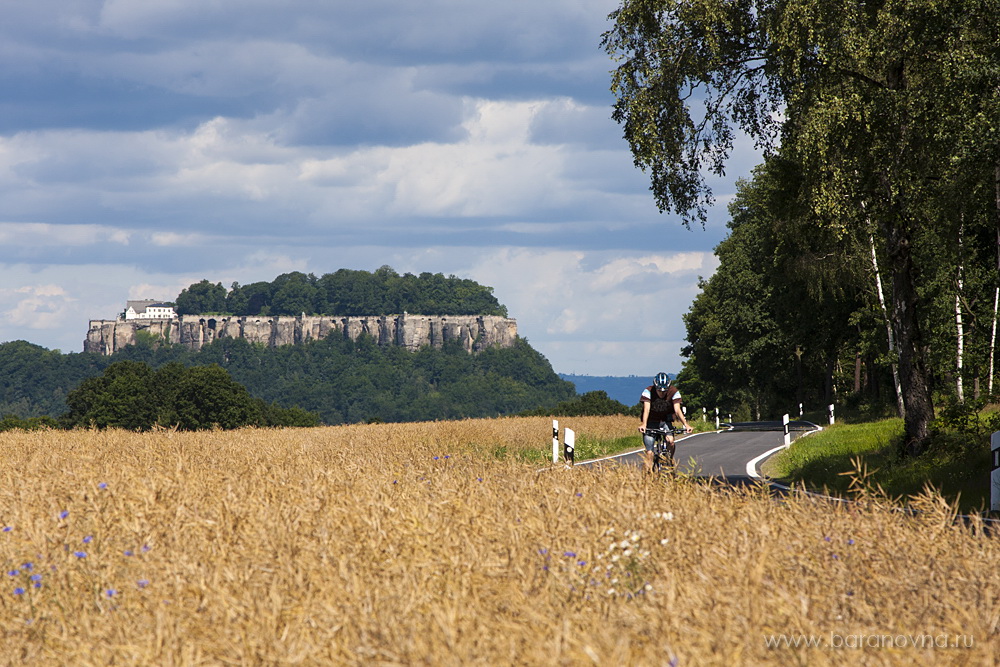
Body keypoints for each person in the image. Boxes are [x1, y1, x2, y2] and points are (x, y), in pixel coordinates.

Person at [638, 372, 692, 473]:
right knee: (649, 452)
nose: (662, 393)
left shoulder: (674, 392)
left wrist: (686, 424)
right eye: (659, 391)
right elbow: (646, 409)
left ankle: (669, 460)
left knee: (670, 441)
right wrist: (644, 424)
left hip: (665, 421)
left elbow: (677, 410)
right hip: (651, 421)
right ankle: (648, 475)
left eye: (664, 391)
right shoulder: (648, 391)